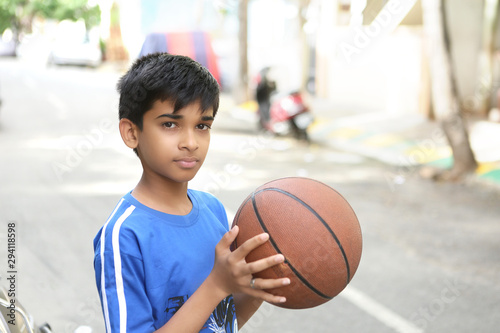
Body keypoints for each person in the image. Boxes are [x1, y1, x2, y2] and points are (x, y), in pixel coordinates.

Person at [93, 53, 290, 333]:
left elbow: (222, 322)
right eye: (170, 124)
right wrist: (217, 284)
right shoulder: (123, 236)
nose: (190, 143)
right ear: (131, 133)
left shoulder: (213, 210)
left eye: (202, 126)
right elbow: (214, 292)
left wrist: (258, 285)